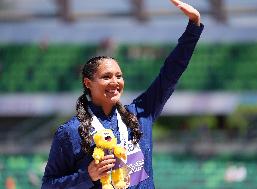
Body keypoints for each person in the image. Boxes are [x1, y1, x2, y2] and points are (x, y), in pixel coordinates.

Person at [41, 0, 204, 188]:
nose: (115, 82)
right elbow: (48, 185)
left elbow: (171, 73)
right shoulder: (70, 132)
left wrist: (194, 26)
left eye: (119, 76)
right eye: (106, 77)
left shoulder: (140, 114)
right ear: (88, 83)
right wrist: (87, 175)